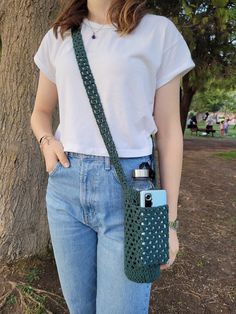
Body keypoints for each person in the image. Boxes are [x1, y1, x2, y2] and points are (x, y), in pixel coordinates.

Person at [30, 1, 195, 313]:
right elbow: (40, 112)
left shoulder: (159, 32)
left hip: (132, 191)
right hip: (65, 189)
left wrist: (170, 223)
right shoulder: (58, 36)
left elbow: (170, 134)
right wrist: (46, 141)